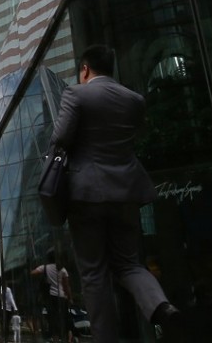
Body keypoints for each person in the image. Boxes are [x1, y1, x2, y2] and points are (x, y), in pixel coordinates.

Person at [49, 45, 181, 342]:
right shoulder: (135, 100)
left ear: (85, 69)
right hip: (126, 193)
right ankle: (160, 306)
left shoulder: (76, 94)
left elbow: (59, 138)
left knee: (94, 273)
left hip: (86, 194)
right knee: (129, 263)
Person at [31, 251, 73, 343]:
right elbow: (66, 286)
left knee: (53, 319)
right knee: (64, 318)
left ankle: (55, 339)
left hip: (51, 296)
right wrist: (70, 298)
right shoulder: (62, 269)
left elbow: (33, 273)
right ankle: (67, 339)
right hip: (62, 297)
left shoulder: (45, 267)